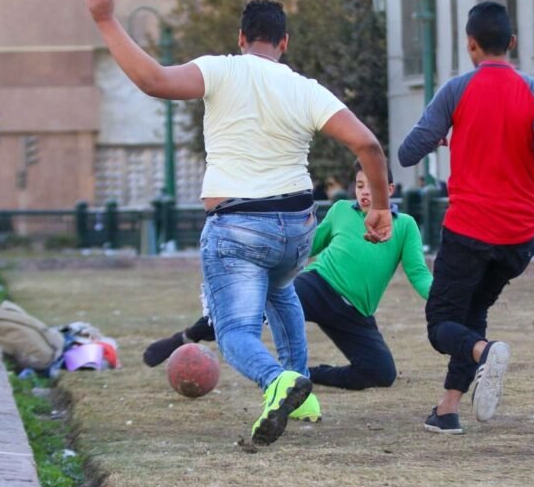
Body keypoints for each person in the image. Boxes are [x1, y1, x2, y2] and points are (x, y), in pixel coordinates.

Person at [85, 0, 392, 446]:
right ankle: (303, 390)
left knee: (233, 331)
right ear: (284, 44)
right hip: (296, 229)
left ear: (240, 38)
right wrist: (382, 209)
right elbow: (367, 144)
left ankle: (278, 381)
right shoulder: (304, 88)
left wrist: (107, 20)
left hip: (240, 227)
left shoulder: (221, 71)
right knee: (281, 288)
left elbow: (153, 80)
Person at [398, 1, 534, 435]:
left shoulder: (455, 91)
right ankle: (448, 408)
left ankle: (487, 352)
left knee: (442, 326)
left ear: (470, 45)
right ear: (512, 43)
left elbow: (406, 153)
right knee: (472, 313)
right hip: (520, 236)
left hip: (470, 229)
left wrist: (441, 135)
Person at [143, 161, 432, 403]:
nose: (365, 192)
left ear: (390, 189)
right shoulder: (342, 210)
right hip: (318, 286)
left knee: (382, 374)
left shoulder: (404, 225)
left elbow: (418, 274)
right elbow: (307, 246)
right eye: (359, 185)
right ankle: (185, 337)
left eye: (372, 186)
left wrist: (440, 297)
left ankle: (306, 375)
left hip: (356, 312)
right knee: (250, 310)